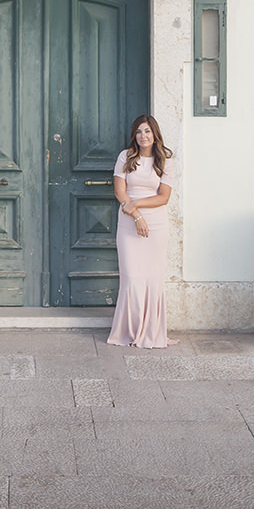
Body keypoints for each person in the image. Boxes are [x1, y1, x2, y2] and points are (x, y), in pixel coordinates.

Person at [107, 112, 177, 349]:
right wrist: (136, 214)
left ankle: (152, 332)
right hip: (129, 224)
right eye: (138, 131)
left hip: (156, 225)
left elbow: (163, 197)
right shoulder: (125, 157)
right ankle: (129, 332)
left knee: (152, 278)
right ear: (134, 135)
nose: (143, 136)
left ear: (155, 134)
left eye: (147, 131)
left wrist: (136, 203)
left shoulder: (166, 160)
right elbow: (120, 193)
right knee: (132, 278)